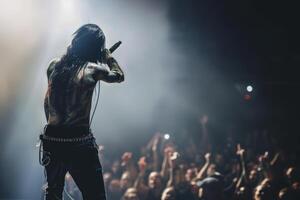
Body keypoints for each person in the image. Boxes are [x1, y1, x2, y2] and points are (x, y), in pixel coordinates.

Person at [40, 23, 124, 200]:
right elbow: (119, 76)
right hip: (78, 142)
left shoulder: (53, 66)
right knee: (95, 196)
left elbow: (47, 103)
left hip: (52, 139)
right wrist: (108, 58)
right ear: (96, 49)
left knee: (53, 194)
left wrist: (52, 131)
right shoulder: (94, 69)